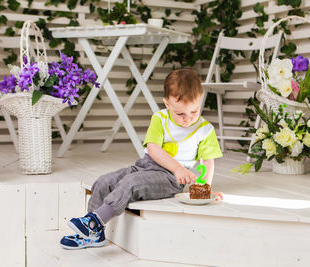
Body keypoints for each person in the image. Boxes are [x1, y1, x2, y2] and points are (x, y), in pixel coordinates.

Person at [60, 68, 223, 249]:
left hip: (169, 178)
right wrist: (178, 167)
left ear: (200, 100)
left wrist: (205, 189)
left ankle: (95, 221)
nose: (188, 119)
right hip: (144, 166)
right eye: (181, 114)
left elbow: (208, 161)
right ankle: (93, 233)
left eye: (194, 111)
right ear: (167, 104)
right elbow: (153, 149)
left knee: (132, 183)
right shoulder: (160, 119)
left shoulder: (204, 129)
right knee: (104, 181)